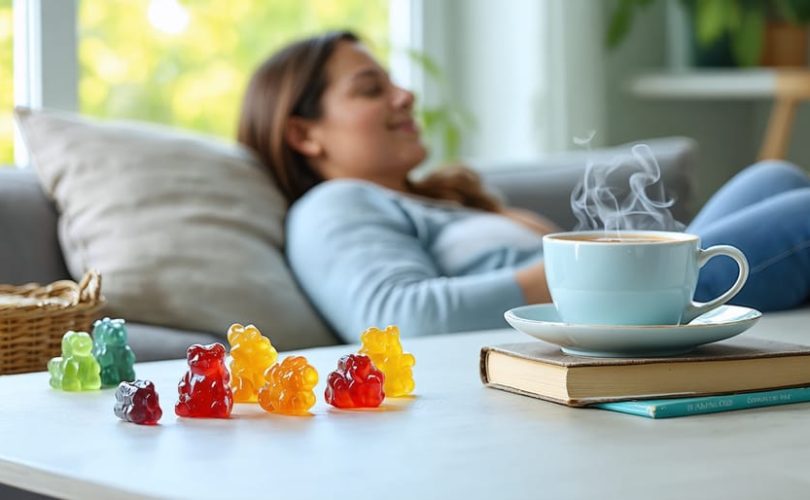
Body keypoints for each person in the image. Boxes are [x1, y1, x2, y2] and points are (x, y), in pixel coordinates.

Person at [237, 31, 810, 342]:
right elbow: (397, 319)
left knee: (774, 177)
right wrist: (583, 268)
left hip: (624, 296)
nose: (405, 96)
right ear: (304, 134)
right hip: (610, 312)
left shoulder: (434, 200)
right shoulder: (334, 204)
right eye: (370, 89)